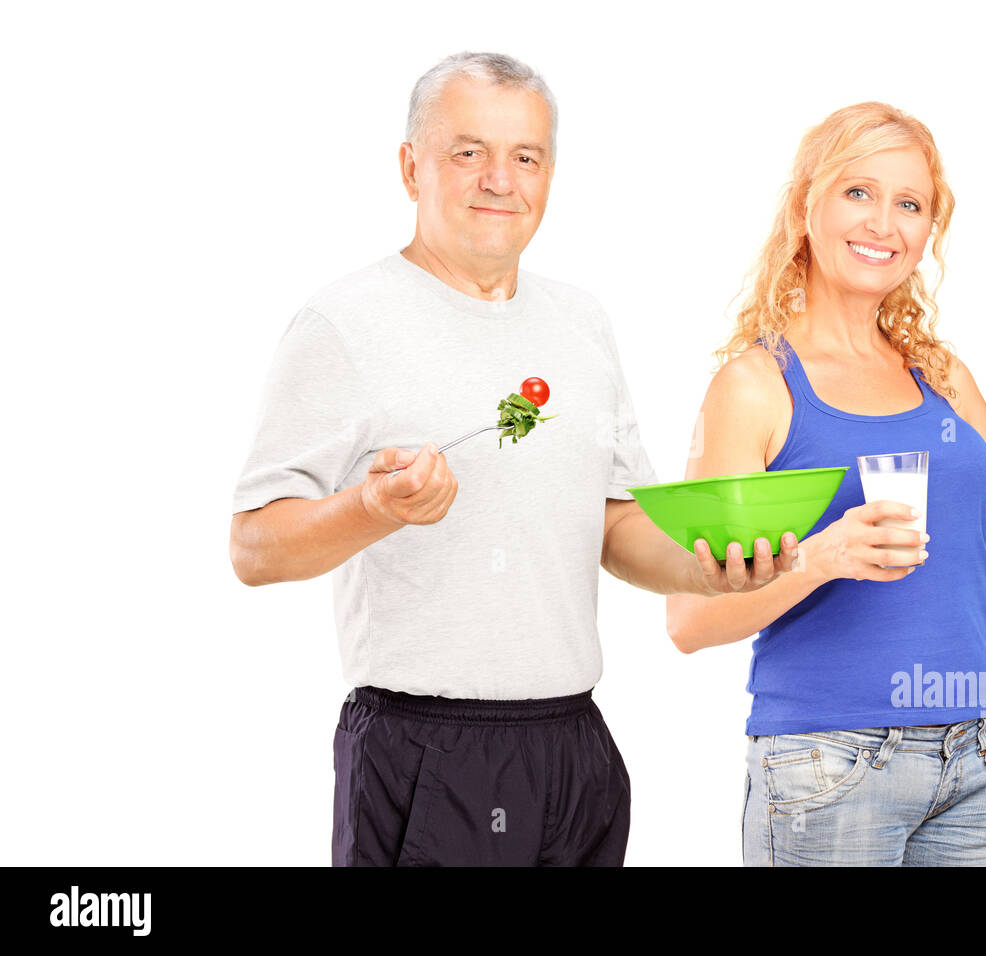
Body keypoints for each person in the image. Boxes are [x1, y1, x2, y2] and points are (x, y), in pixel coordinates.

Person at [228, 51, 798, 867]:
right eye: (469, 152)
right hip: (428, 749)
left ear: (549, 174)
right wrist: (372, 508)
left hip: (575, 745)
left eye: (524, 156)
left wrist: (711, 569)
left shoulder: (582, 322)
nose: (500, 179)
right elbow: (253, 548)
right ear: (410, 166)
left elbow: (616, 523)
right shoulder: (343, 322)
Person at [667, 102, 986, 866]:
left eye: (909, 204)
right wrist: (822, 556)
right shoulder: (756, 388)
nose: (883, 223)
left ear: (927, 231)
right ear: (804, 206)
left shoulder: (944, 379)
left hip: (979, 762)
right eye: (858, 192)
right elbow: (688, 620)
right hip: (830, 766)